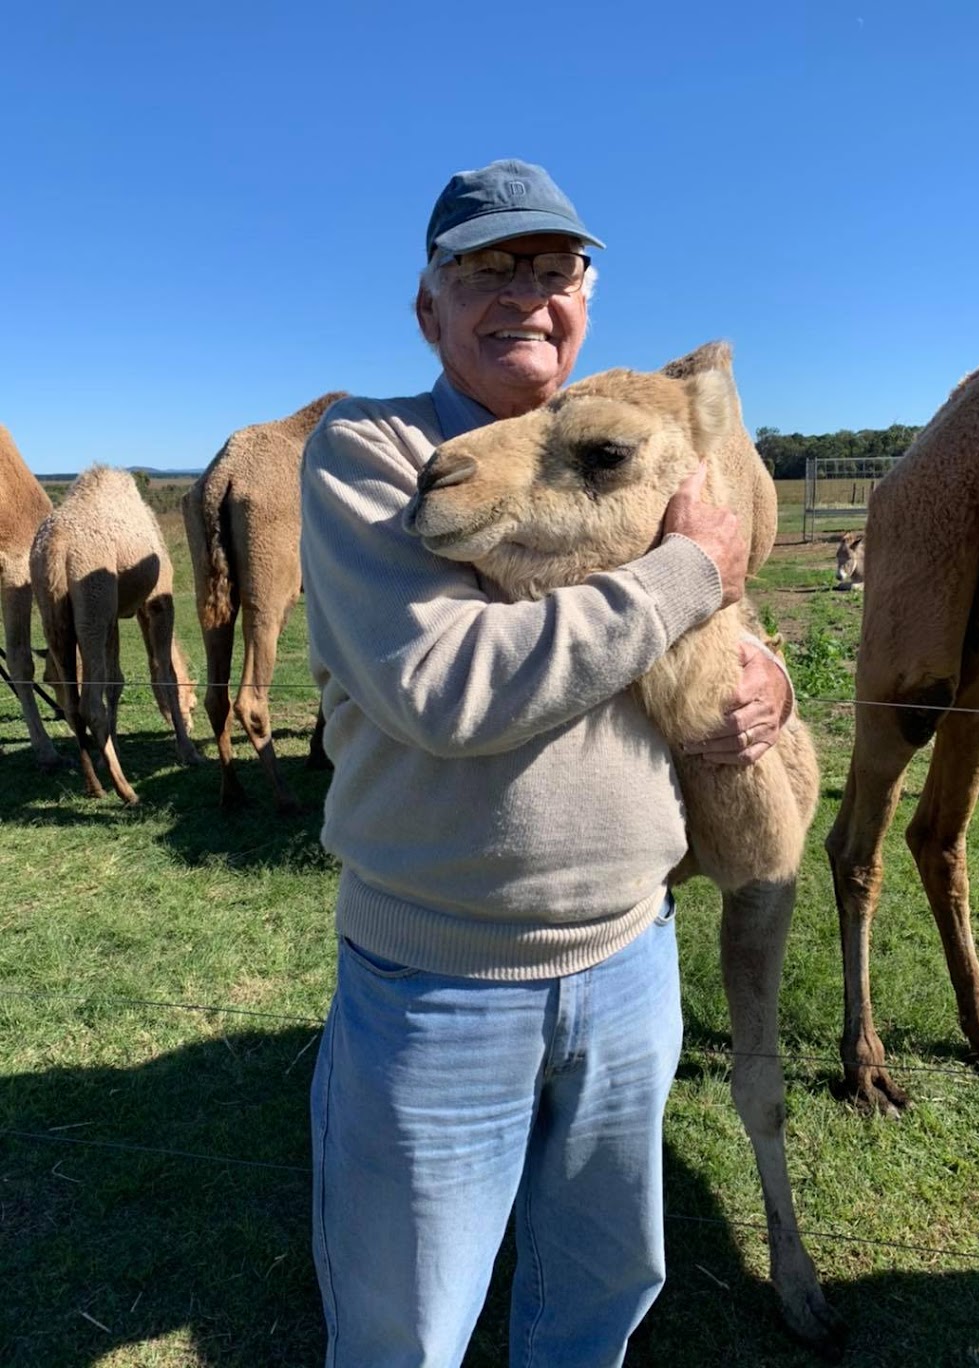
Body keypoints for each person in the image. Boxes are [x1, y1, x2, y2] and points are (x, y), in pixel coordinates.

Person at [300, 159, 792, 1368]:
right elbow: (442, 684)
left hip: (630, 966)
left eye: (553, 267)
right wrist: (690, 580)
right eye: (485, 268)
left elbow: (695, 607)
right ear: (429, 308)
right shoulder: (374, 453)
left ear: (584, 299)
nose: (524, 292)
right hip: (437, 980)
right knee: (404, 1331)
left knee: (593, 1303)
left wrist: (758, 667)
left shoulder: (608, 442)